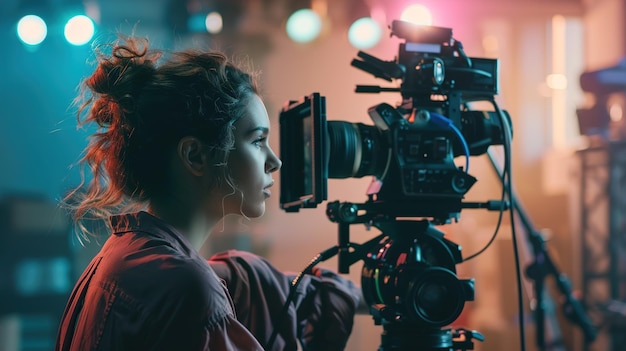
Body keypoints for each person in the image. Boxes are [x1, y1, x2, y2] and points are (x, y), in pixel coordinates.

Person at [56, 35, 360, 351]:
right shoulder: (189, 288)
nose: (275, 161)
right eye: (257, 141)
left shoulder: (121, 256)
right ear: (195, 156)